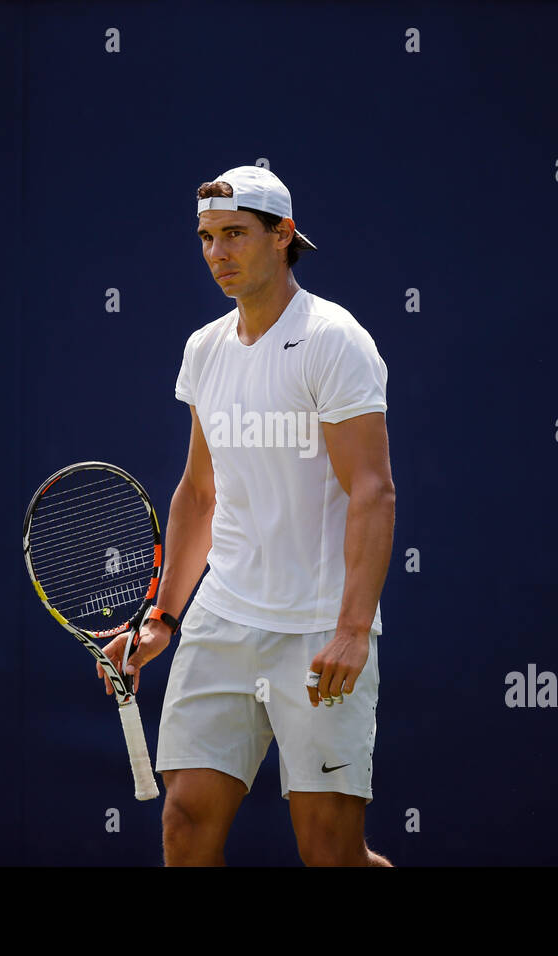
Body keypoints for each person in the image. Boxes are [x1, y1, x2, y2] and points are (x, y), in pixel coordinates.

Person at [98, 165, 395, 866]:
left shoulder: (334, 340)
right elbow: (201, 492)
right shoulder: (204, 349)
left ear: (282, 236)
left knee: (330, 852)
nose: (217, 253)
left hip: (318, 629)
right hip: (224, 618)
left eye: (234, 234)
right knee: (186, 820)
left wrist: (352, 629)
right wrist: (162, 617)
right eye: (206, 237)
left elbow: (372, 491)